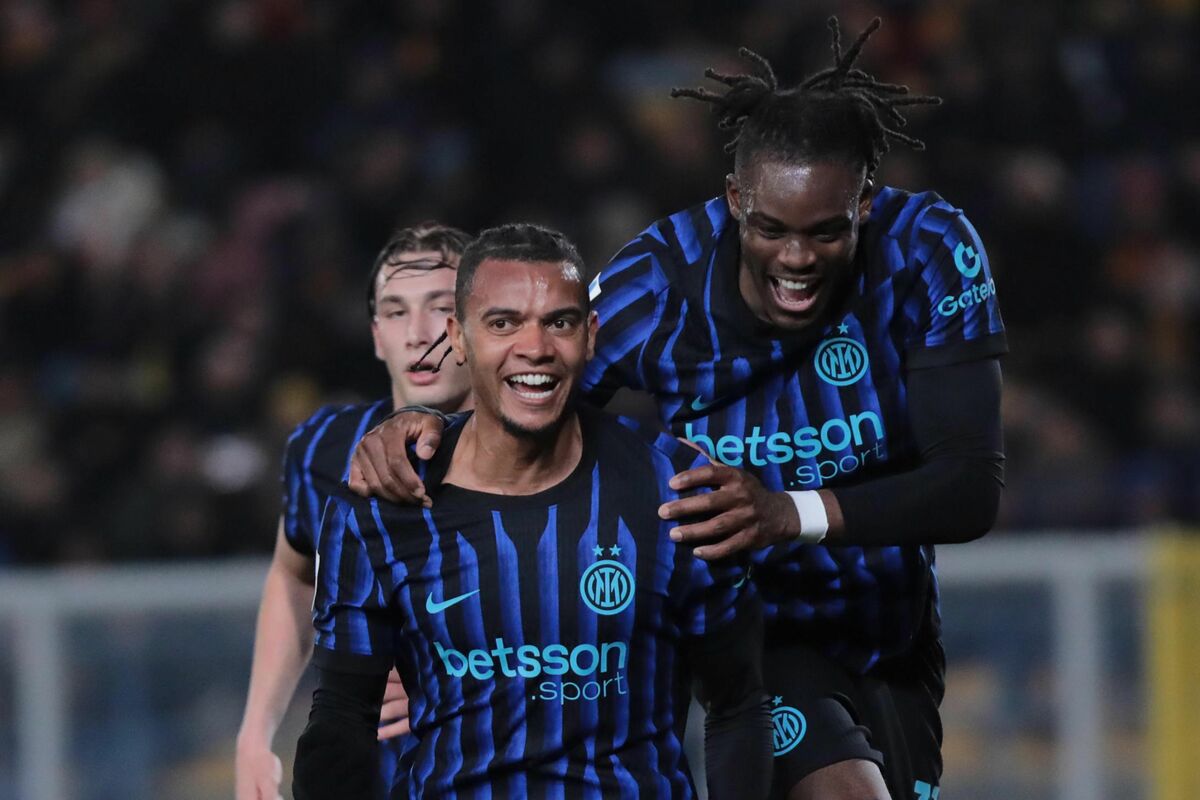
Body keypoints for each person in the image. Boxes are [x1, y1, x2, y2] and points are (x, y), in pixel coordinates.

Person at [349, 18, 1006, 800]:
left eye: (826, 232)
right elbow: (516, 425)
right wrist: (432, 437)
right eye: (771, 229)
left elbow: (969, 488)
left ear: (864, 204)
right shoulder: (655, 288)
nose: (797, 259)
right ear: (734, 201)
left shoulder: (929, 249)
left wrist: (784, 512)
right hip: (752, 631)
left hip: (893, 630)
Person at [293, 224, 772, 799]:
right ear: (458, 338)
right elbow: (342, 719)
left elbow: (738, 704)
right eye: (503, 323)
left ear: (590, 336)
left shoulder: (677, 488)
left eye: (559, 322)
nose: (535, 347)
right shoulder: (380, 504)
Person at [235, 223, 475, 800]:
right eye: (396, 312)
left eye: (440, 307)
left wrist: (446, 675)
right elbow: (294, 574)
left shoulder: (535, 448)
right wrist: (255, 733)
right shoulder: (321, 448)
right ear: (375, 336)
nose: (418, 334)